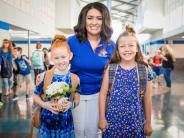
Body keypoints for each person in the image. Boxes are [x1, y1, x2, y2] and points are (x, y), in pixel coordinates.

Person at [67, 2, 115, 138]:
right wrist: (47, 75)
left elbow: (119, 69)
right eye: (90, 18)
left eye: (99, 18)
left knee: (93, 133)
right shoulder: (71, 41)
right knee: (78, 132)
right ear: (83, 20)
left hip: (98, 96)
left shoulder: (111, 44)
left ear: (104, 21)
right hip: (76, 95)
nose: (94, 22)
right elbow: (60, 64)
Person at [98, 25, 153, 137]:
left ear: (137, 48)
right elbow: (103, 94)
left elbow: (148, 99)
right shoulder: (111, 68)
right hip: (112, 123)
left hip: (136, 123)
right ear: (117, 49)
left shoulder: (144, 70)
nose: (127, 49)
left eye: (131, 46)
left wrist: (148, 123)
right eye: (122, 46)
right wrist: (102, 118)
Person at [33, 35, 80, 138]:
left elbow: (77, 101)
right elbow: (35, 95)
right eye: (56, 58)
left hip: (65, 125)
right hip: (47, 124)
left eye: (63, 57)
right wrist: (44, 105)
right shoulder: (45, 76)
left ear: (70, 56)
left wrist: (70, 105)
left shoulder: (75, 79)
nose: (60, 61)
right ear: (52, 59)